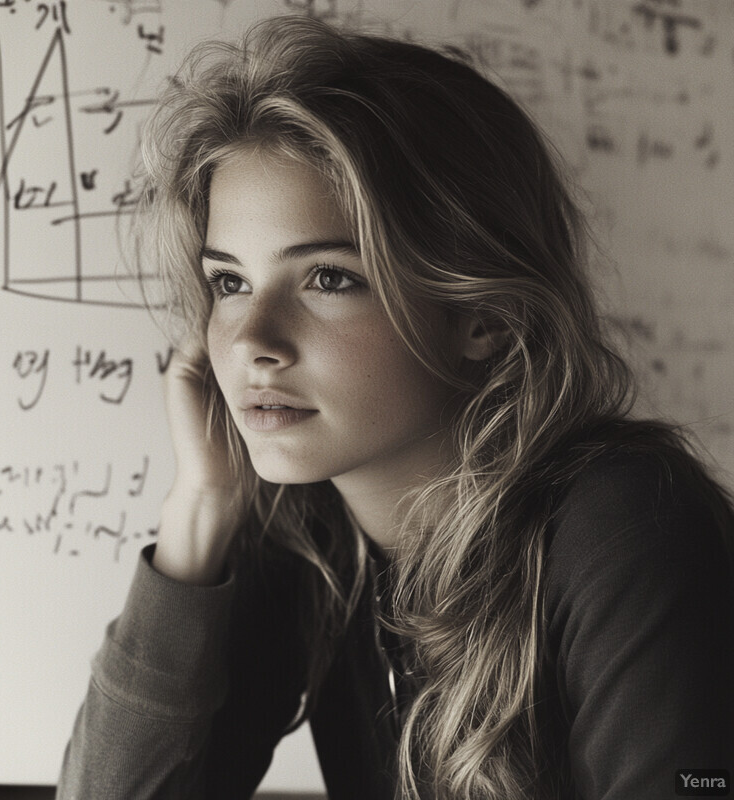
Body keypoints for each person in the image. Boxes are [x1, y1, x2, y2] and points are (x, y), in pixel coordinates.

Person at [56, 15, 734, 800]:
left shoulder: (629, 523)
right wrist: (199, 510)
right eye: (229, 283)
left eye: (328, 279)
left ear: (480, 316)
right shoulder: (306, 545)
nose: (250, 342)